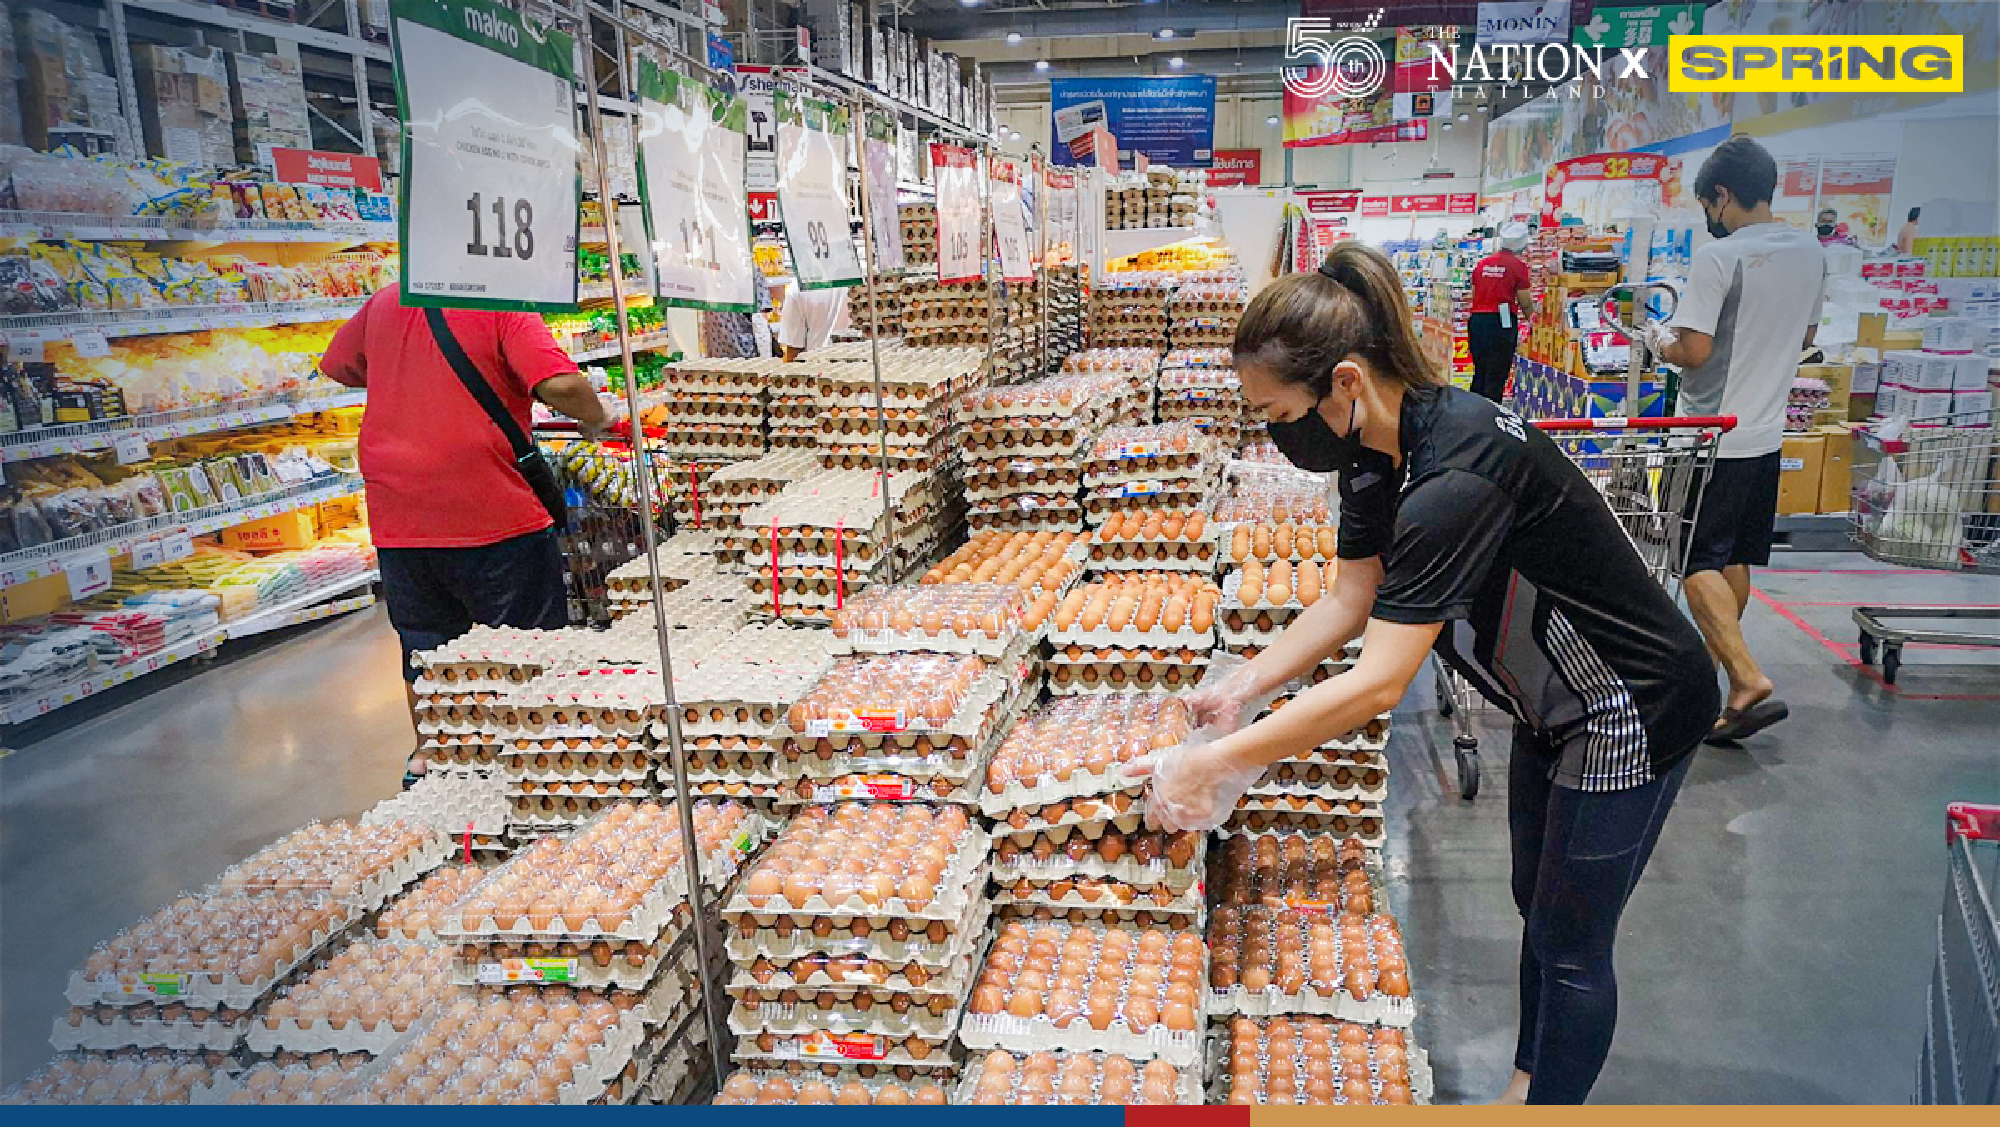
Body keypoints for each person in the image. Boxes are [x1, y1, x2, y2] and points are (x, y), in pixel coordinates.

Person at [1132, 241, 1720, 1105]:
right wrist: (1244, 685)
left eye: (1273, 410)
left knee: (1570, 938)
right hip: (1551, 706)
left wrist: (1217, 762)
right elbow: (1348, 599)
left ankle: (1545, 1103)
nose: (1271, 431)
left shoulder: (1455, 475)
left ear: (1341, 381)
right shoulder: (1377, 450)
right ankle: (1530, 1080)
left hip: (1628, 704)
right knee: (1538, 901)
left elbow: (1377, 683)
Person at [319, 285, 619, 785]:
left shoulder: (388, 299)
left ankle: (431, 757)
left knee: (425, 646)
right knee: (523, 650)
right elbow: (560, 385)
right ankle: (532, 760)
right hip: (492, 513)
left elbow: (338, 363)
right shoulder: (502, 300)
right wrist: (598, 415)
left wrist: (410, 374)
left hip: (401, 515)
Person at [1643, 134, 1826, 744]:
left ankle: (1744, 676)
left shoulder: (1719, 258)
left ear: (1721, 195)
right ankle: (1723, 687)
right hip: (1765, 434)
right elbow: (1804, 338)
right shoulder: (1810, 252)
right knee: (1733, 558)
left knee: (1691, 558)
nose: (1706, 216)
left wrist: (1655, 340)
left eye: (1705, 203)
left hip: (1708, 436)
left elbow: (1693, 352)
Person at [1466, 221, 1535, 403]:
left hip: (1478, 321)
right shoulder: (1518, 266)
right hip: (1501, 322)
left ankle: (1473, 409)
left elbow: (1474, 295)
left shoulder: (1482, 264)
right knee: (1496, 372)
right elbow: (1525, 301)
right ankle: (1490, 414)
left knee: (1480, 370)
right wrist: (1533, 321)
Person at [776, 283, 851, 360]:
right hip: (856, 360)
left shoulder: (797, 288)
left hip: (816, 362)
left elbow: (793, 349)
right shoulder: (856, 280)